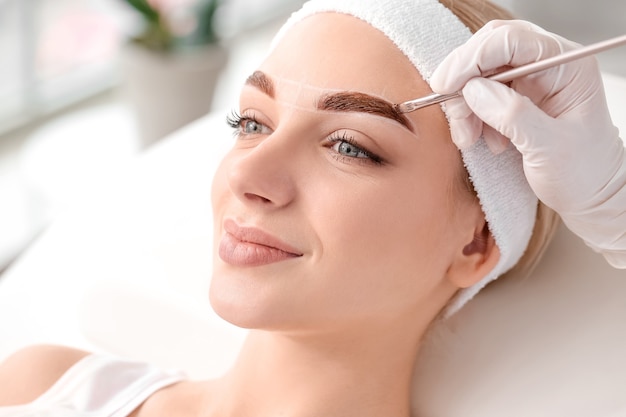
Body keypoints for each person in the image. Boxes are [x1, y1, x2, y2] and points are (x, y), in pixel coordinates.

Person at [0, 0, 622, 416]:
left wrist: (615, 212)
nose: (248, 173)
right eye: (250, 122)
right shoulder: (50, 387)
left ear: (475, 244)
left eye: (349, 146)